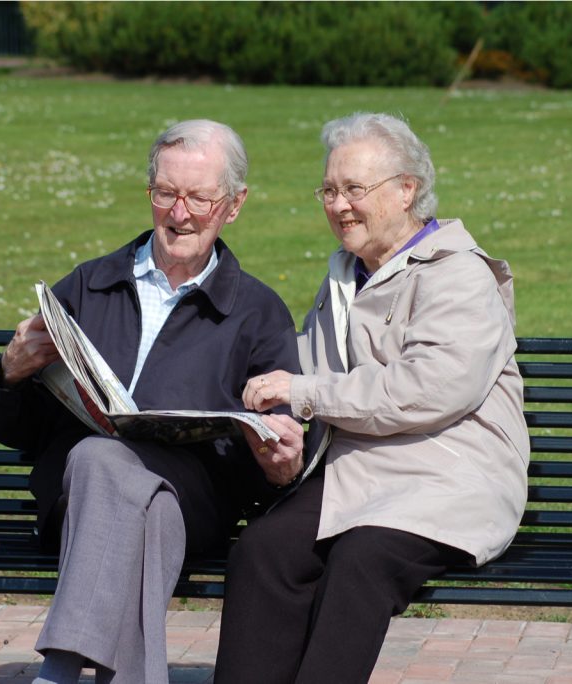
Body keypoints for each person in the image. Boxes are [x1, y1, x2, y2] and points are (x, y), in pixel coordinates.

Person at [0, 119, 305, 684]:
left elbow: (276, 453)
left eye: (199, 197)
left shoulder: (257, 311)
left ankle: (57, 671)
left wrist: (280, 461)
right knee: (106, 468)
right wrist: (11, 373)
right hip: (78, 505)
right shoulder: (89, 284)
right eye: (165, 194)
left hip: (195, 504)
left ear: (234, 205)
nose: (179, 214)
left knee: (113, 468)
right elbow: (11, 428)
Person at [213, 112, 530, 684]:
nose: (338, 206)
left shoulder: (457, 274)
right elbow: (304, 365)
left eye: (354, 190)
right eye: (329, 191)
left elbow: (428, 390)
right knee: (263, 552)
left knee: (361, 559)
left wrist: (303, 393)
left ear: (407, 190)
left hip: (449, 477)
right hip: (357, 472)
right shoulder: (345, 276)